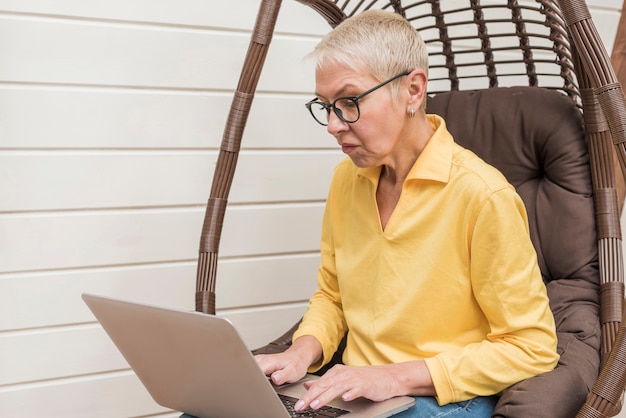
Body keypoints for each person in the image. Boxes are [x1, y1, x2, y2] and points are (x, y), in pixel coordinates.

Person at [254, 9, 560, 418]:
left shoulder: (483, 196)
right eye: (325, 106)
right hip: (358, 393)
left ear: (413, 91)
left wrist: (394, 377)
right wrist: (300, 352)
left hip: (443, 399)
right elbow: (334, 296)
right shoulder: (346, 181)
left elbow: (531, 347)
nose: (332, 124)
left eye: (348, 102)